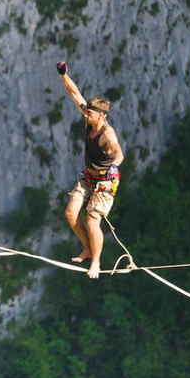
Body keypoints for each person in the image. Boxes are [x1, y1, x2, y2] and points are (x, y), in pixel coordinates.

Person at [56, 61, 124, 279]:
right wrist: (63, 74)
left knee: (92, 219)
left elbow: (119, 154)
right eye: (86, 112)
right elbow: (73, 92)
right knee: (70, 213)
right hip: (89, 177)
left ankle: (95, 262)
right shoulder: (89, 118)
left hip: (105, 181)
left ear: (101, 116)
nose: (85, 116)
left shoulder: (107, 133)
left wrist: (113, 168)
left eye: (89, 114)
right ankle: (87, 248)